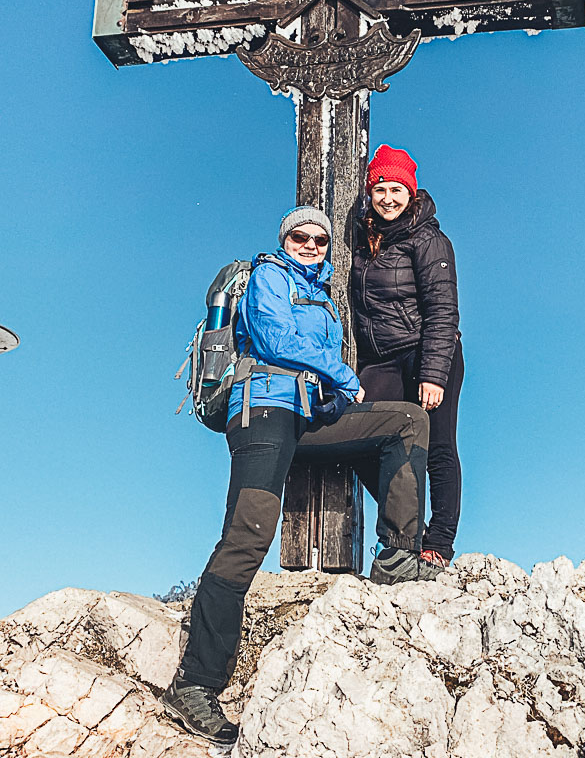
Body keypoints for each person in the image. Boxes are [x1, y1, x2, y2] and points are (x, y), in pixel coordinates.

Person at [162, 205, 439, 745]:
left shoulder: (325, 300)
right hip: (262, 411)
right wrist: (341, 375)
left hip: (307, 417)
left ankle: (399, 553)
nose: (310, 244)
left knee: (407, 420)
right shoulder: (268, 275)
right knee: (248, 539)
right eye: (299, 236)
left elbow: (316, 363)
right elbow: (273, 340)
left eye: (319, 238)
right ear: (284, 238)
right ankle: (195, 683)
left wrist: (337, 390)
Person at [352, 145, 463, 570]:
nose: (389, 198)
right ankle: (407, 524)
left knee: (437, 446)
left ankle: (439, 541)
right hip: (382, 360)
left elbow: (442, 310)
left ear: (410, 193)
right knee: (356, 434)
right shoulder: (363, 240)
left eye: (397, 189)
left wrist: (433, 374)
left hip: (427, 352)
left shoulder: (428, 238)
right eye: (381, 188)